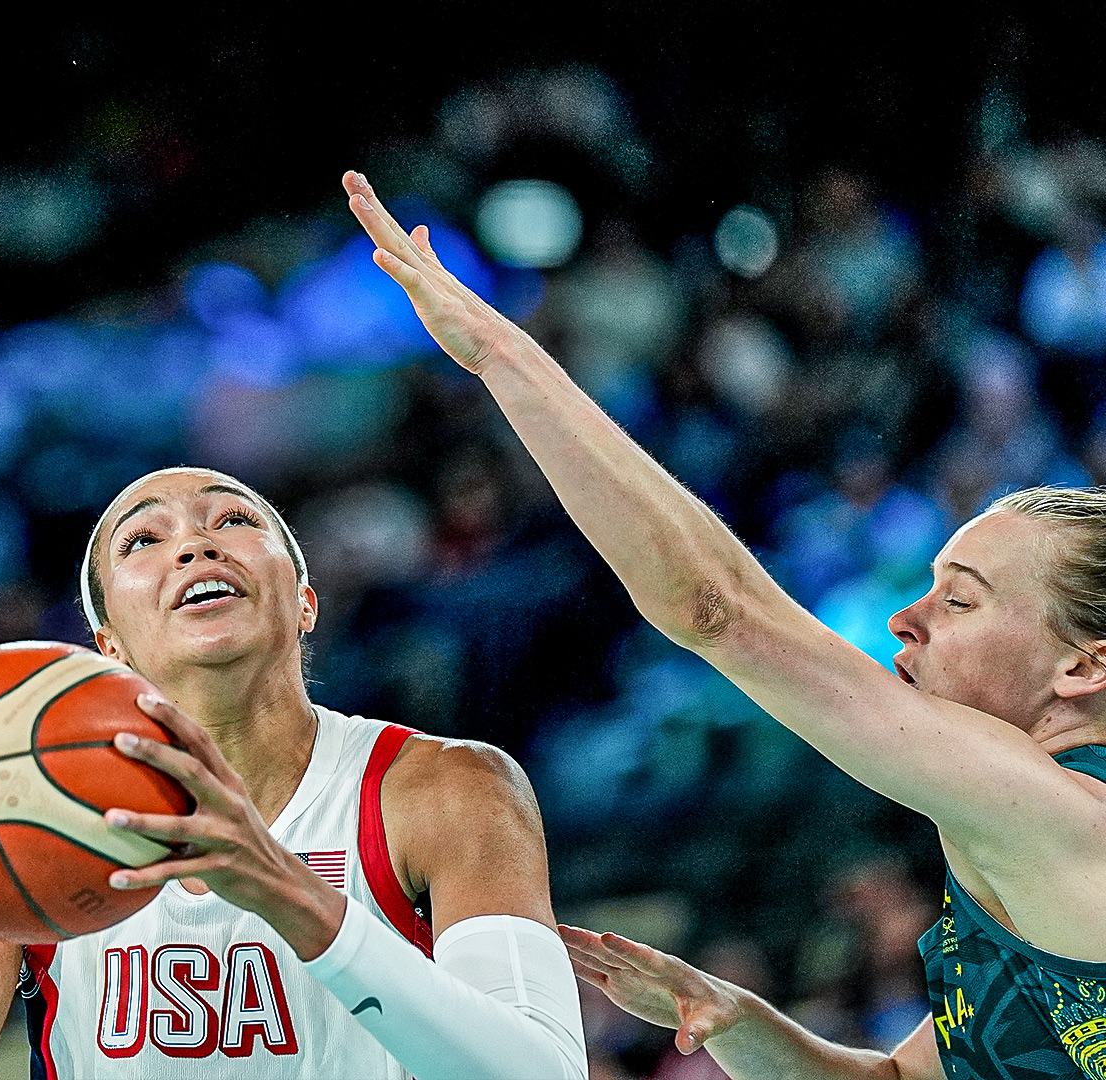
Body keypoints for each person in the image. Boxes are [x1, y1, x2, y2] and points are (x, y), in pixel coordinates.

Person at [341, 170, 1106, 1079]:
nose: (906, 618)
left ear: (1084, 665)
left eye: (961, 598)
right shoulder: (1012, 848)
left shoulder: (1062, 822)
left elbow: (719, 610)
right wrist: (734, 1018)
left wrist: (503, 358)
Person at [0, 466, 590, 1078]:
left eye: (233, 521)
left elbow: (542, 1073)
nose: (195, 545)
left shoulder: (441, 787)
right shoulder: (38, 826)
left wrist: (279, 884)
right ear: (109, 645)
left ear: (304, 602)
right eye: (143, 538)